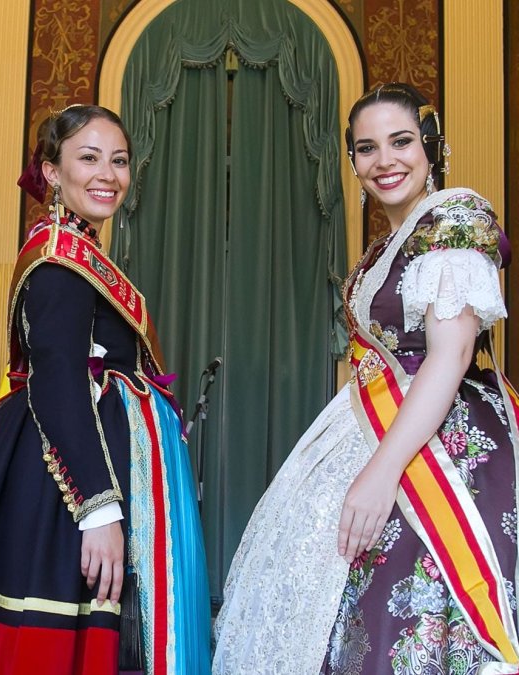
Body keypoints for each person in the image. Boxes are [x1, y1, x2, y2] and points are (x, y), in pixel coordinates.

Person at [0, 105, 211, 674]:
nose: (107, 174)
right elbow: (59, 379)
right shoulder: (60, 262)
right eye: (88, 158)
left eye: (118, 161)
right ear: (52, 171)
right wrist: (98, 510)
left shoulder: (73, 251)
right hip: (66, 480)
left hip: (66, 463)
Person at [215, 83, 519, 674]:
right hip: (379, 422)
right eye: (366, 148)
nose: (385, 161)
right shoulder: (388, 245)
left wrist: (380, 472)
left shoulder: (453, 220)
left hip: (443, 447)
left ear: (432, 147)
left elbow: (450, 357)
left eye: (401, 141)